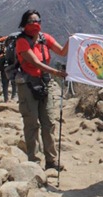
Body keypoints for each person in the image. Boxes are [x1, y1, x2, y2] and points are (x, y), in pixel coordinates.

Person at [14, 9, 68, 171]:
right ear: (25, 23)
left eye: (38, 20)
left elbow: (62, 52)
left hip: (44, 84)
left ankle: (51, 160)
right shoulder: (21, 41)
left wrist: (72, 41)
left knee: (49, 122)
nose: (35, 24)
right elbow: (35, 62)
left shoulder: (46, 38)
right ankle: (34, 161)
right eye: (31, 21)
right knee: (31, 123)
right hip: (27, 84)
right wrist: (56, 72)